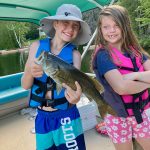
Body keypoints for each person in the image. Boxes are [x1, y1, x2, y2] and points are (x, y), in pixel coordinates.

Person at [21, 4, 91, 150]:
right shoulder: (36, 47)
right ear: (56, 23)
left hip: (67, 116)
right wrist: (29, 72)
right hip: (42, 117)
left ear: (78, 31)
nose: (70, 29)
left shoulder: (75, 55)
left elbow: (74, 87)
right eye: (65, 22)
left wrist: (76, 97)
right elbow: (25, 85)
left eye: (75, 26)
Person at [92, 5, 150, 150]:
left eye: (116, 25)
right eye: (106, 27)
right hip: (116, 116)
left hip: (143, 111)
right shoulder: (103, 55)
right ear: (101, 29)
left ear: (125, 26)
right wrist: (147, 82)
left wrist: (136, 75)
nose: (111, 30)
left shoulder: (136, 50)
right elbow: (121, 88)